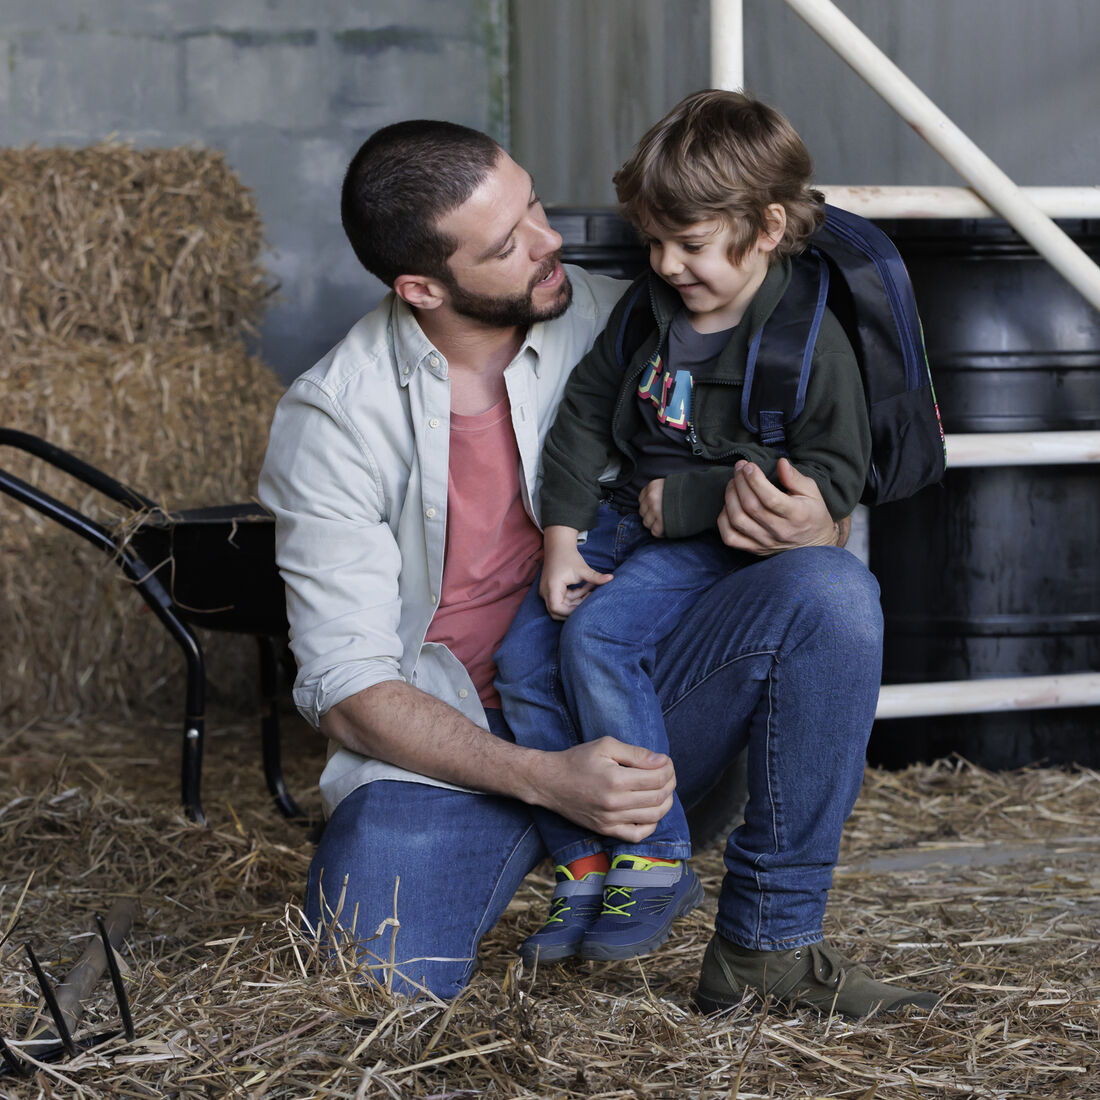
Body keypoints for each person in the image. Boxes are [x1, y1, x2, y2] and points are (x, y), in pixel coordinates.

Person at [258, 114, 937, 1018]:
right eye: (508, 244)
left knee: (832, 591)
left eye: (534, 204)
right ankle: (574, 855)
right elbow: (347, 689)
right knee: (364, 989)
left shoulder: (636, 313)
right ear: (423, 286)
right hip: (452, 752)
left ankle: (767, 943)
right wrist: (545, 777)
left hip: (637, 709)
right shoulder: (334, 419)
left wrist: (814, 521)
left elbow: (791, 460)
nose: (551, 243)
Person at [493, 90, 871, 969]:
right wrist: (562, 533)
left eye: (689, 243)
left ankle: (655, 854)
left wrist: (698, 503)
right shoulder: (646, 316)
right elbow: (587, 414)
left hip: (709, 546)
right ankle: (584, 862)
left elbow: (835, 477)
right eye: (652, 241)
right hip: (617, 522)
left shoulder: (807, 344)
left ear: (767, 225)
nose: (664, 263)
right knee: (519, 661)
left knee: (598, 639)